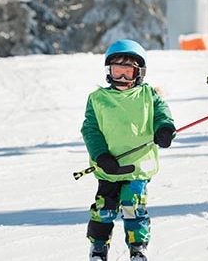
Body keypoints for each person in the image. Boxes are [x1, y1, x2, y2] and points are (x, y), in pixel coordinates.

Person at [81, 39, 176, 261]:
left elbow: (163, 116)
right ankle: (98, 247)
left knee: (133, 207)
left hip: (138, 167)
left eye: (128, 72)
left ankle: (138, 247)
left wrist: (164, 129)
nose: (122, 78)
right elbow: (90, 130)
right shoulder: (98, 99)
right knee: (105, 209)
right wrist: (101, 155)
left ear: (139, 73)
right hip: (108, 167)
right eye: (117, 71)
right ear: (108, 72)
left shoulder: (149, 96)